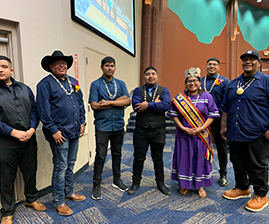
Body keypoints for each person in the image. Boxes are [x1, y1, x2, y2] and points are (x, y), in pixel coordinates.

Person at [221, 50, 269, 212]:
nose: (248, 62)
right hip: (236, 131)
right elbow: (226, 106)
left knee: (257, 165)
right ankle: (242, 187)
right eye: (245, 60)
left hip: (257, 132)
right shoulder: (234, 83)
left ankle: (260, 194)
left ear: (259, 62)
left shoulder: (268, 82)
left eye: (252, 59)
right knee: (237, 161)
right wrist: (224, 125)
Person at [0, 55, 46, 224]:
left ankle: (31, 198)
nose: (0, 69)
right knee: (6, 177)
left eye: (4, 66)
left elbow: (34, 110)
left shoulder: (24, 89)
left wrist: (32, 129)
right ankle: (7, 211)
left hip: (28, 138)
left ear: (11, 70)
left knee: (30, 171)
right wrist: (14, 132)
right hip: (2, 142)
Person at [37, 50, 86, 216]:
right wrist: (53, 130)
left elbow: (80, 103)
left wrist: (83, 122)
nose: (62, 65)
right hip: (59, 133)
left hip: (74, 130)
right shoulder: (45, 84)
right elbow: (43, 111)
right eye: (57, 63)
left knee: (71, 164)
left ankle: (69, 192)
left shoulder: (73, 81)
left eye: (64, 63)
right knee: (61, 166)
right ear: (51, 66)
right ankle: (58, 201)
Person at [168, 67, 219, 197]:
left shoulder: (207, 97)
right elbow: (174, 115)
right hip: (183, 135)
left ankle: (199, 185)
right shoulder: (180, 98)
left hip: (201, 135)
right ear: (186, 83)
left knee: (200, 160)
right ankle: (185, 185)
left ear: (199, 82)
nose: (192, 83)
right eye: (189, 81)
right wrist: (182, 128)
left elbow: (212, 115)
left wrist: (201, 128)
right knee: (184, 159)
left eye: (195, 80)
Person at [89, 56, 130, 200]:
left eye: (112, 65)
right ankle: (96, 185)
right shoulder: (96, 85)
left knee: (117, 153)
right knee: (100, 155)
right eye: (107, 65)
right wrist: (117, 102)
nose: (110, 68)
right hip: (102, 126)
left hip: (118, 125)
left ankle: (117, 180)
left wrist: (107, 102)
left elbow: (128, 101)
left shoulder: (121, 83)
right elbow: (94, 105)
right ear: (102, 67)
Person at [128, 66, 171, 196]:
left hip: (158, 131)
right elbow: (136, 107)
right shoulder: (137, 90)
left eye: (153, 74)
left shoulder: (164, 90)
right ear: (144, 77)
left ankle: (160, 183)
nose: (150, 76)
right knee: (138, 158)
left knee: (158, 158)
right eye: (148, 74)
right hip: (141, 131)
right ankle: (135, 182)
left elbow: (166, 105)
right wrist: (156, 104)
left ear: (157, 77)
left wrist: (147, 104)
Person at [201, 57, 230, 187]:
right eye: (209, 64)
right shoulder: (200, 81)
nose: (212, 66)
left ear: (218, 67)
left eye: (214, 64)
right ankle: (200, 171)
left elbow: (228, 100)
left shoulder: (224, 81)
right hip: (201, 119)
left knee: (221, 147)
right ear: (206, 66)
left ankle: (223, 174)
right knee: (200, 145)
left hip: (218, 119)